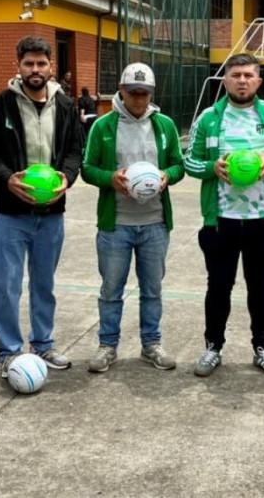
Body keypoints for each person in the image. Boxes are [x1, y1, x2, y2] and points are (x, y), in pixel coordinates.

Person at [184, 53, 264, 379]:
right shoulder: (209, 118)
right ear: (226, 80)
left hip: (263, 219)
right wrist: (211, 167)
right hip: (221, 220)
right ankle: (212, 347)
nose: (243, 80)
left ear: (259, 81)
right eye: (236, 75)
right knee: (218, 286)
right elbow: (189, 162)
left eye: (249, 75)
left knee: (260, 287)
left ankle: (262, 347)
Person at [0, 36, 83, 373]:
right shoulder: (0, 104)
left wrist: (67, 177)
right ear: (18, 66)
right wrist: (8, 178)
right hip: (11, 212)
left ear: (51, 67)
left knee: (44, 284)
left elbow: (74, 152)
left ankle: (43, 345)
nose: (35, 70)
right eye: (29, 64)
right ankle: (9, 351)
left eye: (41, 63)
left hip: (51, 212)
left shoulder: (66, 105)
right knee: (6, 286)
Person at [81, 62, 185, 373]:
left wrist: (167, 176)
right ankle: (107, 345)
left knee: (152, 288)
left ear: (152, 93)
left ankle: (150, 344)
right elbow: (87, 168)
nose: (139, 99)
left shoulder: (164, 125)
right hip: (117, 226)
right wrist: (110, 177)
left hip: (154, 223)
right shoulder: (103, 126)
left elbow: (179, 165)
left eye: (145, 93)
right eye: (134, 92)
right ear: (122, 91)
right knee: (111, 289)